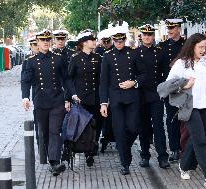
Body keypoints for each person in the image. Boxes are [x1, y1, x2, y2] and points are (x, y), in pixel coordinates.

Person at [167, 33, 206, 187]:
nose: (203, 50)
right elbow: (169, 83)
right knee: (200, 139)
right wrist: (184, 85)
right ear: (192, 46)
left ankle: (184, 165)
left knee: (195, 139)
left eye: (205, 46)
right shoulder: (181, 63)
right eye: (200, 47)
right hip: (189, 107)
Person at [21, 29, 70, 176]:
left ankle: (55, 162)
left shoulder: (58, 58)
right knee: (45, 133)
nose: (46, 42)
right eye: (43, 40)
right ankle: (52, 160)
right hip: (41, 101)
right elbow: (25, 81)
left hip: (57, 100)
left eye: (48, 40)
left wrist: (69, 96)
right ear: (38, 42)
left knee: (55, 131)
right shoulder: (30, 61)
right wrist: (25, 97)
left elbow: (66, 79)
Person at [99, 25, 146, 175]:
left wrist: (134, 82)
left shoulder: (133, 54)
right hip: (116, 99)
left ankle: (124, 148)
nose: (119, 43)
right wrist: (103, 103)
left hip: (132, 97)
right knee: (119, 131)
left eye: (121, 40)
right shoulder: (107, 56)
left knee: (133, 128)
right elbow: (104, 81)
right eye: (116, 41)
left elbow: (144, 74)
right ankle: (124, 163)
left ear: (125, 40)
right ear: (113, 40)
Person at [66, 29, 102, 167]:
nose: (94, 42)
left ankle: (92, 149)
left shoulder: (98, 58)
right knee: (85, 126)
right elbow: (69, 79)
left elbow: (101, 79)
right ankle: (87, 151)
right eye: (92, 40)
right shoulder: (75, 58)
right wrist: (70, 96)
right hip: (81, 99)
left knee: (96, 125)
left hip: (96, 98)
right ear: (84, 43)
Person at [136, 24, 170, 169]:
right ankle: (145, 156)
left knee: (158, 126)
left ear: (153, 36)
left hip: (156, 94)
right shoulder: (136, 53)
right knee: (143, 126)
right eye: (145, 34)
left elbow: (165, 74)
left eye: (150, 35)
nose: (147, 37)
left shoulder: (160, 52)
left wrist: (162, 91)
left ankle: (162, 157)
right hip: (141, 94)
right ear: (141, 36)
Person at [158, 18, 185, 162]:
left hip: (185, 88)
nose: (169, 31)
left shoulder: (186, 45)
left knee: (186, 119)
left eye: (172, 28)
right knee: (171, 119)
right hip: (170, 88)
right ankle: (175, 149)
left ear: (179, 29)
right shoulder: (163, 46)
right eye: (168, 28)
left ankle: (184, 147)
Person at [21, 37, 40, 148]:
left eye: (37, 44)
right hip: (36, 90)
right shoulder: (28, 60)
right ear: (31, 46)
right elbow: (25, 80)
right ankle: (39, 141)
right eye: (34, 45)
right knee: (38, 118)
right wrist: (25, 96)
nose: (36, 47)